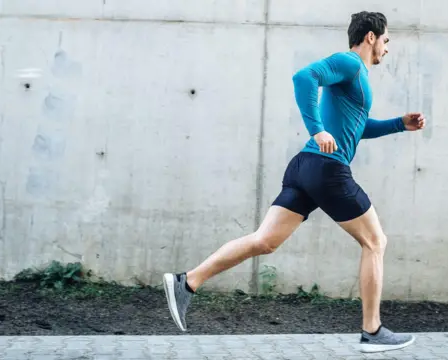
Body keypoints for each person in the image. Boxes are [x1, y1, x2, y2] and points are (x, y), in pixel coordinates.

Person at [162, 10, 426, 354]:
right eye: (387, 40)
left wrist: (397, 124)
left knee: (264, 241)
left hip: (305, 167)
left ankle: (187, 282)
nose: (388, 49)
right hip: (327, 169)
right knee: (375, 242)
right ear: (371, 37)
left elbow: (357, 127)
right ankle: (372, 331)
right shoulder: (349, 62)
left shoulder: (356, 77)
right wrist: (317, 129)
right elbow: (304, 76)